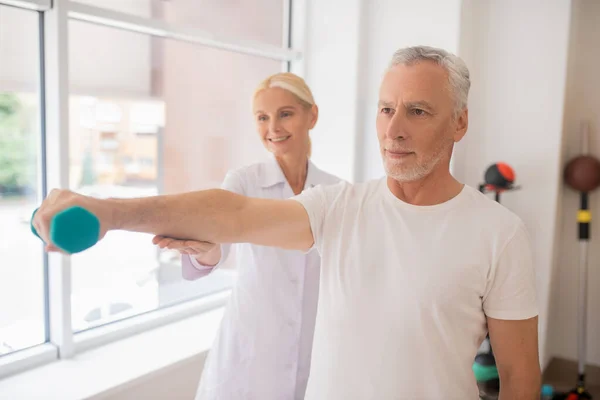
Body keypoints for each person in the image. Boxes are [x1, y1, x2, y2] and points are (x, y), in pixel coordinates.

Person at [33, 46, 542, 399]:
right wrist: (109, 212)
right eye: (386, 108)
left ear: (460, 122)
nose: (394, 129)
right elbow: (231, 213)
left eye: (418, 111)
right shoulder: (338, 205)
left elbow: (519, 377)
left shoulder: (499, 234)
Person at [152, 72, 342, 400]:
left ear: (312, 115)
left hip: (312, 346)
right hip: (251, 346)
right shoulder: (244, 182)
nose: (273, 128)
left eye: (285, 114)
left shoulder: (335, 190)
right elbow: (218, 246)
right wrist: (204, 249)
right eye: (262, 118)